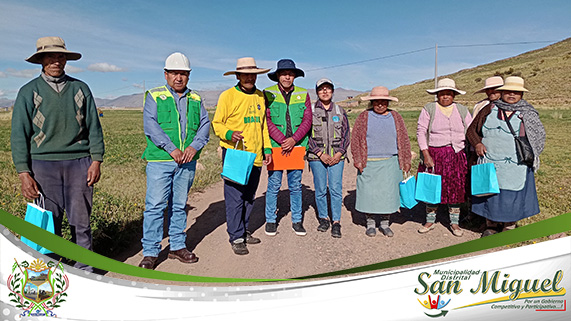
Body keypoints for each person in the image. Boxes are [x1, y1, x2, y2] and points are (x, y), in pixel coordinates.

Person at [11, 36, 104, 271]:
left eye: (60, 55)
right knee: (46, 226)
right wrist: (24, 173)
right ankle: (45, 277)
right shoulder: (28, 91)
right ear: (41, 60)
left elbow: (94, 127)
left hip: (79, 163)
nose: (56, 60)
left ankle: (85, 271)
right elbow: (19, 135)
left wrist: (96, 160)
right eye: (50, 56)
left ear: (66, 59)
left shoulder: (80, 88)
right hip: (43, 166)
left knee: (81, 222)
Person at [139, 52, 210, 269]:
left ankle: (177, 246)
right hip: (161, 160)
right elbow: (150, 125)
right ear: (166, 74)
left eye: (183, 74)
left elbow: (205, 125)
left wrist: (193, 147)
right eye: (174, 73)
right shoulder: (154, 95)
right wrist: (172, 149)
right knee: (155, 205)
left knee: (179, 205)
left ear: (188, 76)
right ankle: (150, 251)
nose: (178, 77)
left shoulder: (196, 99)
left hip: (187, 161)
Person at [466, 76, 545, 236]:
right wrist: (477, 144)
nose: (511, 95)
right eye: (508, 91)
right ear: (501, 92)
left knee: (512, 196)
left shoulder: (528, 112)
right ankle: (491, 226)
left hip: (516, 164)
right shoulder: (489, 109)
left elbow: (539, 136)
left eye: (516, 92)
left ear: (521, 95)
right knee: (491, 194)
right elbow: (471, 131)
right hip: (491, 160)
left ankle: (509, 227)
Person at [212, 57, 272, 255]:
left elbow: (263, 126)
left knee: (249, 197)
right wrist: (229, 134)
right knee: (235, 198)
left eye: (252, 75)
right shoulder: (227, 96)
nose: (249, 78)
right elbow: (217, 123)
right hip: (235, 154)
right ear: (237, 76)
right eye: (245, 74)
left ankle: (244, 230)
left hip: (255, 156)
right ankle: (236, 236)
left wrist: (267, 149)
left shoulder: (260, 96)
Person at [351, 86, 412, 237]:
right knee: (369, 195)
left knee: (388, 195)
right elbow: (355, 140)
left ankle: (385, 224)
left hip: (390, 162)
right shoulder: (363, 117)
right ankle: (370, 223)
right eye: (376, 101)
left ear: (388, 102)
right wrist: (358, 159)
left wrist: (406, 160)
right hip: (369, 162)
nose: (379, 104)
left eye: (383, 101)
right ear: (371, 102)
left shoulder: (396, 117)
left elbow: (404, 139)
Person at [416, 78, 472, 237]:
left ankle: (454, 222)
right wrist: (426, 154)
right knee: (432, 187)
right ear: (437, 95)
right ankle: (430, 220)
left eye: (449, 93)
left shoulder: (461, 110)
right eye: (442, 93)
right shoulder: (429, 109)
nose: (445, 97)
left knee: (456, 188)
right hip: (435, 154)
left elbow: (470, 129)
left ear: (454, 95)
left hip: (456, 154)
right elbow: (421, 131)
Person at [263, 59, 312, 236]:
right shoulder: (267, 94)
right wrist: (283, 139)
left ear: (294, 76)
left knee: (296, 186)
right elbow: (266, 119)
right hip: (276, 147)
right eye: (284, 74)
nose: (287, 77)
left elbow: (307, 120)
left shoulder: (303, 94)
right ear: (277, 76)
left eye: (290, 74)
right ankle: (270, 220)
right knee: (274, 184)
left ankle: (297, 220)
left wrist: (294, 140)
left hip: (297, 147)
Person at [307, 78, 350, 238]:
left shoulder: (340, 111)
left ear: (332, 91)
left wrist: (339, 153)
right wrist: (319, 153)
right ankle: (324, 218)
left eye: (328, 88)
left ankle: (336, 222)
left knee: (335, 188)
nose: (325, 91)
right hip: (317, 157)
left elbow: (346, 134)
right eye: (321, 89)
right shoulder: (310, 111)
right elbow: (306, 135)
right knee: (320, 189)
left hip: (336, 157)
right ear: (317, 92)